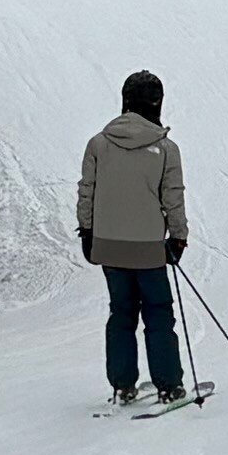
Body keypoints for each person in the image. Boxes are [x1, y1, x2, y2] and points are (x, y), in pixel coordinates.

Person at [79, 67, 196, 411]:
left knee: (121, 313)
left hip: (108, 245)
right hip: (148, 250)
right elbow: (173, 197)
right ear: (157, 104)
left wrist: (87, 232)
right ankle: (169, 386)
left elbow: (87, 192)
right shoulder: (165, 149)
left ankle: (122, 386)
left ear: (125, 101)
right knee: (158, 313)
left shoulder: (98, 144)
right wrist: (178, 237)